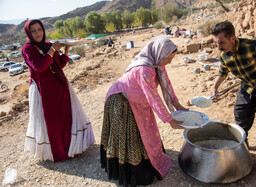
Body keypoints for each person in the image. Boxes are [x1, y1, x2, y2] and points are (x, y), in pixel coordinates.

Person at [100, 38, 188, 186]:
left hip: (137, 100)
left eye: (171, 59)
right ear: (161, 54)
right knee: (133, 136)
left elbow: (167, 83)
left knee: (145, 131)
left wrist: (176, 103)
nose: (169, 62)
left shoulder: (157, 62)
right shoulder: (144, 69)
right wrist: (170, 121)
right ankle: (133, 173)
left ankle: (149, 161)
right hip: (122, 102)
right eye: (168, 59)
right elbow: (153, 97)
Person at [211, 21, 256, 174]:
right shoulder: (224, 55)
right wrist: (215, 87)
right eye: (216, 43)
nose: (219, 47)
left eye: (221, 42)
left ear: (233, 38)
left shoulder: (253, 45)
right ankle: (243, 144)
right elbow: (223, 72)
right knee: (240, 115)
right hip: (248, 87)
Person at [22, 19, 95, 162]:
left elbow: (58, 65)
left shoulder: (48, 45)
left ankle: (71, 148)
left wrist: (66, 50)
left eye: (40, 29)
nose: (38, 33)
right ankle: (58, 151)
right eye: (34, 31)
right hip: (43, 92)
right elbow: (39, 66)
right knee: (53, 122)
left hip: (60, 86)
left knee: (65, 117)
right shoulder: (28, 49)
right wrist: (52, 50)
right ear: (29, 33)